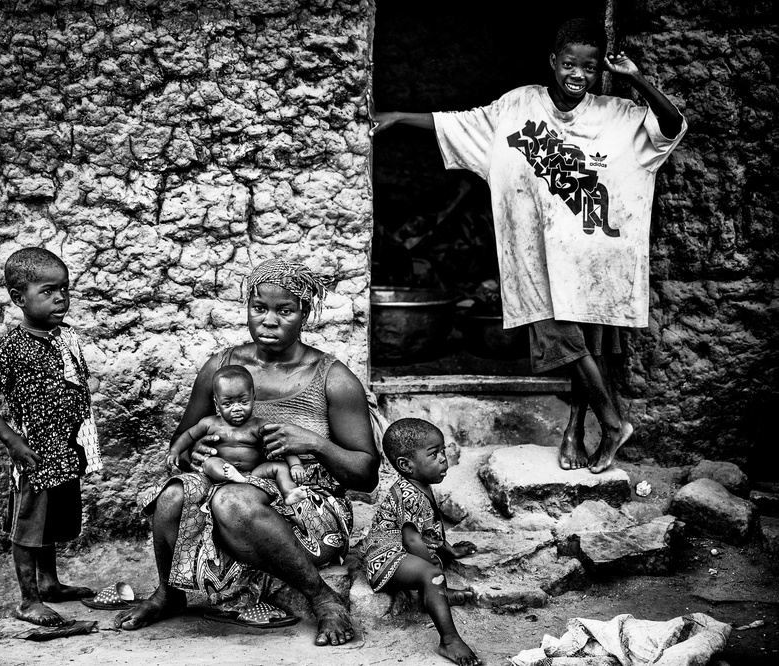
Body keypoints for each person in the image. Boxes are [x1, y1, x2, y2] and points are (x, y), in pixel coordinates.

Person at [370, 17, 686, 474]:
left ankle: (587, 427)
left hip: (596, 253)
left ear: (600, 71)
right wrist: (399, 117)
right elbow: (463, 124)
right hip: (538, 254)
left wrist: (636, 80)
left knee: (586, 348)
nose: (578, 74)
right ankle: (605, 425)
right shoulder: (520, 105)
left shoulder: (617, 113)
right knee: (561, 337)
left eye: (590, 67)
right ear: (552, 63)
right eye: (569, 64)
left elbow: (671, 126)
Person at [110, 258, 380, 646]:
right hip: (228, 493)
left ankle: (323, 597)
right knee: (171, 495)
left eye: (285, 310)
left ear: (304, 312)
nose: (269, 321)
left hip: (304, 506)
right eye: (259, 309)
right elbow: (181, 445)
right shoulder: (221, 368)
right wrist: (195, 453)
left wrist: (315, 444)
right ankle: (170, 594)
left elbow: (367, 474)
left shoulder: (333, 378)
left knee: (232, 502)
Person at [0, 247, 102, 627]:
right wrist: (13, 441)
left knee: (52, 523)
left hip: (64, 450)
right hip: (35, 454)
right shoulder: (13, 347)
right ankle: (28, 600)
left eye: (64, 289)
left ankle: (49, 583)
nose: (60, 298)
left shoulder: (65, 338)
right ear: (18, 298)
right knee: (30, 526)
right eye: (47, 291)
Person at [364, 418, 479, 665]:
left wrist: (450, 550)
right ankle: (449, 641)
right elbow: (413, 540)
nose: (443, 459)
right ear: (406, 465)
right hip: (385, 558)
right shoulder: (408, 494)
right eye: (434, 454)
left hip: (402, 552)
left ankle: (434, 593)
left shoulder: (421, 484)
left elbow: (428, 531)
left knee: (432, 571)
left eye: (443, 451)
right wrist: (435, 574)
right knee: (432, 576)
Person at [166, 364, 310, 507]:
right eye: (228, 404)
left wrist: (295, 465)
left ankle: (289, 492)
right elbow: (189, 436)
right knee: (210, 463)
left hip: (254, 473)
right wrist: (175, 451)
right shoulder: (209, 423)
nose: (236, 409)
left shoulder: (259, 425)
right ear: (217, 404)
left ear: (253, 398)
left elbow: (282, 444)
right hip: (223, 470)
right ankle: (233, 477)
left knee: (280, 467)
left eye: (243, 402)